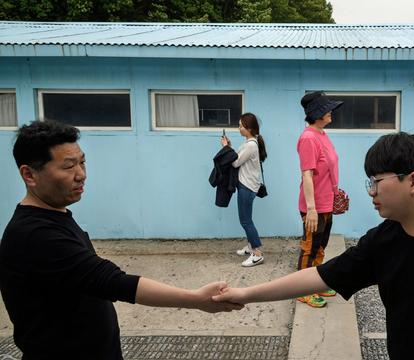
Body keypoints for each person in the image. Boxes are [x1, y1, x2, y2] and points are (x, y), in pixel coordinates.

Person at [213, 132, 414, 360]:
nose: (371, 191)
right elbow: (322, 276)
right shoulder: (386, 239)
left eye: (377, 181)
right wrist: (244, 295)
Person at [0, 121, 243, 360]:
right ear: (29, 174)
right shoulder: (35, 234)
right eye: (68, 167)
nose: (81, 175)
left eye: (82, 162)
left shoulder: (55, 215)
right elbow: (111, 281)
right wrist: (195, 299)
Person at [295, 91, 343, 308]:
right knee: (310, 247)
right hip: (314, 205)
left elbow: (329, 168)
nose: (331, 112)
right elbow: (307, 174)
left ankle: (316, 284)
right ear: (318, 113)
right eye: (327, 109)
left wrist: (335, 193)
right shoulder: (308, 138)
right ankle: (301, 290)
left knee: (321, 245)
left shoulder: (321, 134)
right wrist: (311, 209)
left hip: (326, 202)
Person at [221, 113, 268, 267]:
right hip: (247, 184)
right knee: (247, 219)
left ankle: (257, 254)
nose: (239, 128)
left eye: (241, 126)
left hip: (247, 186)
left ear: (248, 128)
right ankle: (250, 247)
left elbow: (235, 163)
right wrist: (230, 147)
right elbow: (238, 157)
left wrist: (226, 148)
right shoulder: (249, 142)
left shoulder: (251, 145)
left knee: (246, 220)